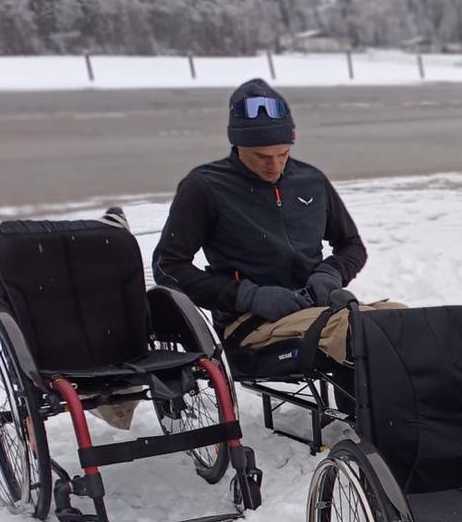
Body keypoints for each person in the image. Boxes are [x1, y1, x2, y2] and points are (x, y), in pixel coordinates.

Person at [152, 79, 398, 365]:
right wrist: (247, 296)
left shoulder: (311, 180)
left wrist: (330, 274)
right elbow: (167, 267)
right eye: (261, 156)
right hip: (250, 323)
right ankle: (379, 408)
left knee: (400, 319)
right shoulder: (204, 186)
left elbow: (352, 245)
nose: (275, 166)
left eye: (283, 154)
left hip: (318, 308)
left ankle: (403, 408)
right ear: (237, 143)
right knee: (360, 331)